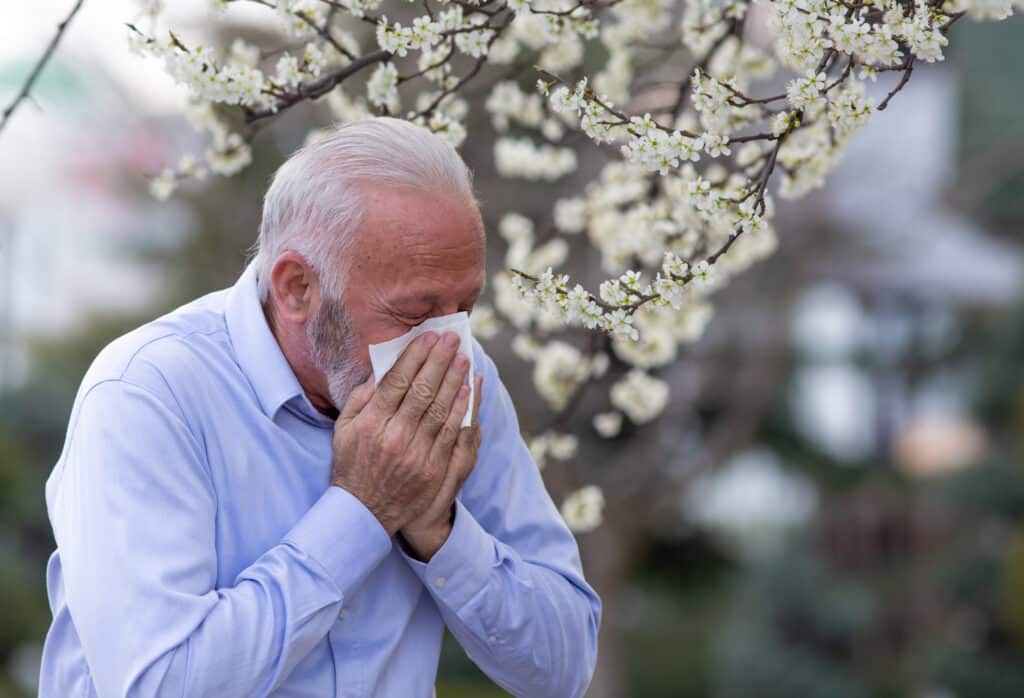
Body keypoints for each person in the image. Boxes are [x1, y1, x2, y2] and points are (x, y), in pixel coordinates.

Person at [38, 117, 601, 697]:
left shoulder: (460, 370)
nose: (446, 341)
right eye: (413, 312)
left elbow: (563, 668)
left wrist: (440, 530)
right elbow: (157, 685)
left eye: (466, 305)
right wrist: (363, 510)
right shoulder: (148, 392)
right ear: (297, 289)